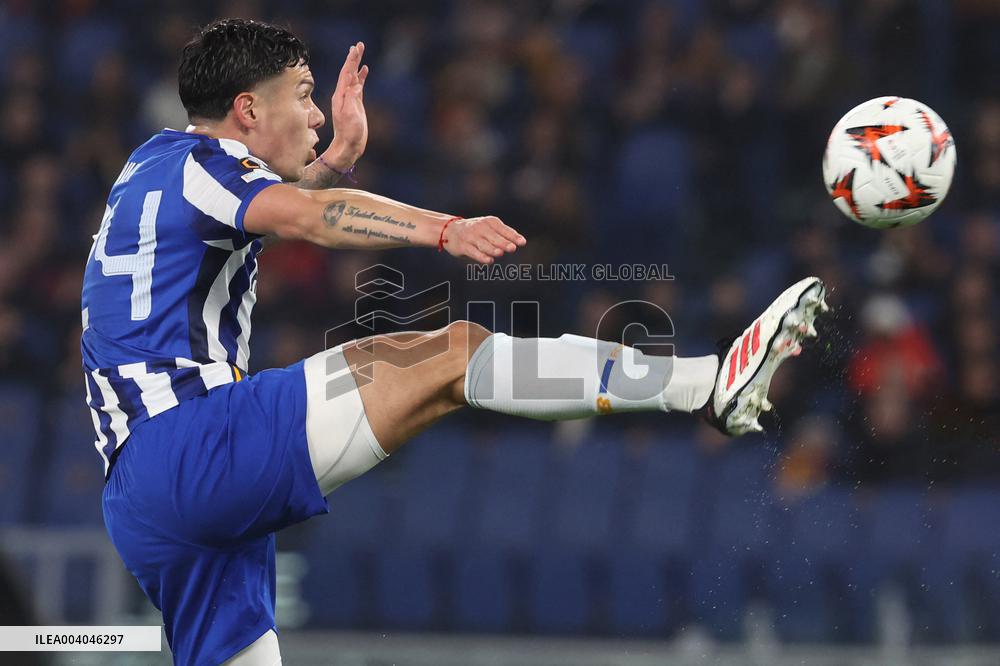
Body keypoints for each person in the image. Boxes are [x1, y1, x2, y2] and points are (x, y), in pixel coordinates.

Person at [82, 18, 828, 665]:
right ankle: (706, 384)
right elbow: (309, 217)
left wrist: (334, 162)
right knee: (452, 355)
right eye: (302, 94)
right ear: (248, 109)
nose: (314, 114)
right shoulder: (203, 168)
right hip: (191, 447)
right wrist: (443, 228)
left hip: (144, 496)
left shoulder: (155, 163)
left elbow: (269, 204)